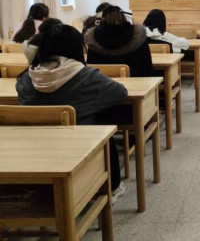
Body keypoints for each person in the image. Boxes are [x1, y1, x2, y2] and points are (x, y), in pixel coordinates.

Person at [16, 24, 128, 203]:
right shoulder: (87, 76)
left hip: (35, 149)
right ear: (76, 47)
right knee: (105, 128)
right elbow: (120, 93)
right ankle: (112, 186)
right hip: (80, 149)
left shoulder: (24, 78)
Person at [85, 5, 154, 77]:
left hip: (102, 82)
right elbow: (147, 67)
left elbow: (90, 68)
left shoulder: (94, 38)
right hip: (135, 80)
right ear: (123, 17)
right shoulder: (138, 36)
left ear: (102, 20)